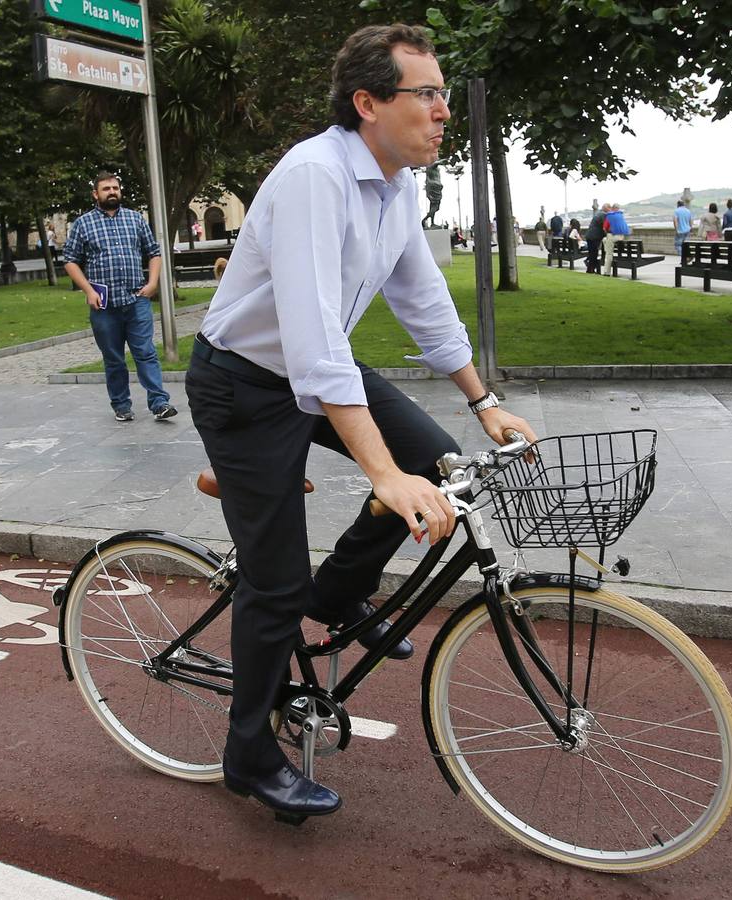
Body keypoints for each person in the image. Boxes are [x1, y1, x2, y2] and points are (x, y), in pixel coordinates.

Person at [185, 23, 536, 823]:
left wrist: (481, 400)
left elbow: (421, 299)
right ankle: (248, 753)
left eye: (445, 93)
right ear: (368, 103)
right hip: (244, 385)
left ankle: (338, 595)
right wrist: (381, 473)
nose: (444, 110)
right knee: (272, 584)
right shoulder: (316, 175)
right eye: (427, 94)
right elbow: (311, 343)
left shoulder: (396, 182)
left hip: (320, 370)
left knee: (441, 464)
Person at [63, 172, 177, 423]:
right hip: (104, 305)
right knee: (114, 358)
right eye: (106, 188)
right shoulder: (83, 224)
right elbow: (70, 260)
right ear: (96, 194)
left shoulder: (135, 219)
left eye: (115, 187)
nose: (112, 192)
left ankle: (159, 402)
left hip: (136, 300)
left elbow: (154, 252)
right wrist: (88, 291)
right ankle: (121, 405)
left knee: (146, 352)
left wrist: (153, 283)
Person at [601, 203, 629, 275]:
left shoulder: (610, 216)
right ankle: (606, 248)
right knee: (604, 240)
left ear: (612, 208)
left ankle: (606, 272)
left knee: (609, 254)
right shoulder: (621, 216)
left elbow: (604, 228)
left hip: (612, 236)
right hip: (621, 237)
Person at [584, 203, 609, 274]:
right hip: (595, 236)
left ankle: (590, 269)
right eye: (609, 208)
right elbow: (605, 227)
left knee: (592, 253)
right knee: (594, 254)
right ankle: (591, 269)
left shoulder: (598, 214)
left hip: (590, 235)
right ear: (606, 208)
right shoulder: (603, 215)